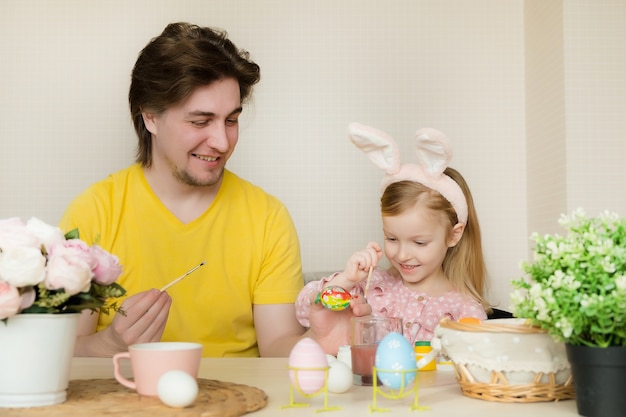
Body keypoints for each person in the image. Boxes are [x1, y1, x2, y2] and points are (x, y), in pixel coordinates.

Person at [60, 22, 309, 357]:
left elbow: (279, 347)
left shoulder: (268, 218)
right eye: (200, 121)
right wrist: (111, 343)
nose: (222, 142)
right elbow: (60, 355)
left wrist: (323, 337)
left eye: (231, 120)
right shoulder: (94, 213)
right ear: (150, 116)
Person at [295, 123, 489, 346]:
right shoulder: (372, 286)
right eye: (392, 239)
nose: (403, 254)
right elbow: (302, 311)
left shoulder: (463, 311)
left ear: (454, 235)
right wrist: (346, 280)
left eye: (419, 242)